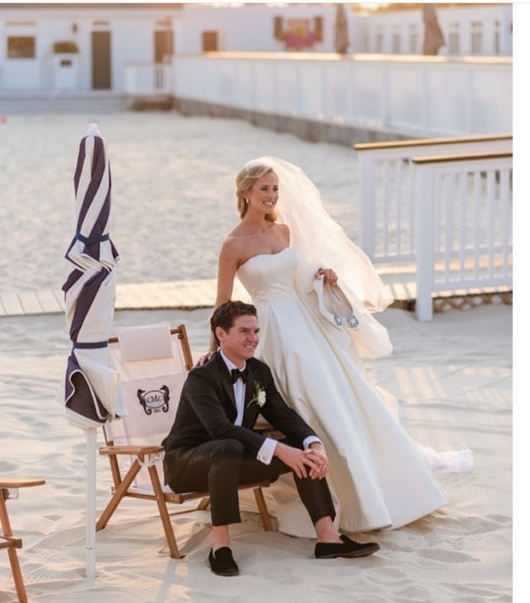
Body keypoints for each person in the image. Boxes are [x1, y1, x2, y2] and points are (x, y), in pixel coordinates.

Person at [197, 157, 472, 536]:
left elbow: (298, 278)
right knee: (301, 403)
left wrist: (321, 277)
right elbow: (222, 304)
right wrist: (214, 348)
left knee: (335, 397)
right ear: (246, 193)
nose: (272, 196)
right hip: (269, 332)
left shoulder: (284, 233)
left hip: (304, 324)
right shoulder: (232, 245)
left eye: (275, 189)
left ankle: (370, 491)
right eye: (264, 189)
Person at [162, 301, 380, 576]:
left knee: (303, 454)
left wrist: (313, 444)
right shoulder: (201, 377)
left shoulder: (259, 372)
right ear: (221, 334)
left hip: (233, 459)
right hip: (187, 464)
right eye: (244, 331)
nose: (253, 338)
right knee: (230, 446)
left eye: (256, 331)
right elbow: (220, 429)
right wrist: (279, 450)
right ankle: (220, 547)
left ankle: (328, 539)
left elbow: (283, 415)